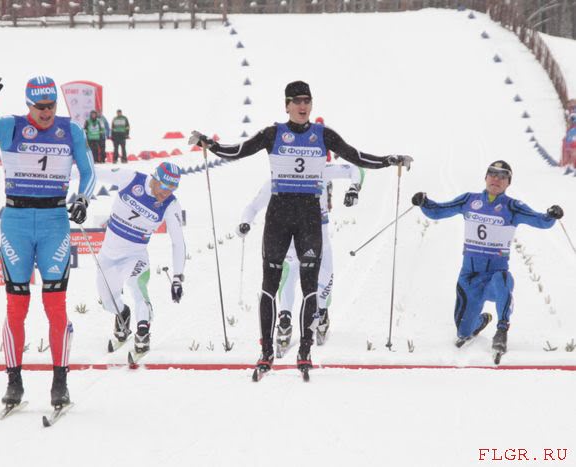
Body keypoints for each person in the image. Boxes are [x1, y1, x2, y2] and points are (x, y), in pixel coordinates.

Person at [190, 80, 412, 374]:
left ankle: (305, 350)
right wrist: (211, 145)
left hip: (309, 215)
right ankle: (266, 353)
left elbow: (356, 157)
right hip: (279, 214)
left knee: (310, 287)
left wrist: (388, 160)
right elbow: (238, 151)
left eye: (307, 100)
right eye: (296, 101)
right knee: (269, 286)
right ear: (287, 105)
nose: (302, 106)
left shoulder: (323, 135)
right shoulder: (272, 134)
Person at [0, 76, 96, 407]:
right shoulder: (10, 126)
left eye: (51, 106)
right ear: (28, 105)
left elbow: (89, 172)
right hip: (16, 223)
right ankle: (14, 381)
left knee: (55, 306)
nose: (46, 113)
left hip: (54, 223)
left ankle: (60, 382)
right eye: (40, 107)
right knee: (16, 306)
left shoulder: (70, 130)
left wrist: (82, 199)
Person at [411, 160, 563, 360]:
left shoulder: (513, 207)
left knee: (503, 280)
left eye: (503, 176)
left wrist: (551, 215)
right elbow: (438, 210)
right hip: (469, 276)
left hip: (494, 275)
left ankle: (502, 330)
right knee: (463, 332)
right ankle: (481, 321)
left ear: (508, 183)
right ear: (485, 177)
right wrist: (424, 202)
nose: (496, 179)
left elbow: (540, 221)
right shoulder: (469, 200)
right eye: (492, 174)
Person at [237, 162, 365, 354]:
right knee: (288, 278)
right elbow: (253, 206)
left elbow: (357, 168)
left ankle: (320, 312)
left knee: (323, 282)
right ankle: (285, 319)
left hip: (317, 238)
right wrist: (245, 223)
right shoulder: (278, 179)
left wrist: (354, 188)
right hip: (291, 241)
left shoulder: (321, 169)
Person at [94, 162, 185, 354]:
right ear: (155, 178)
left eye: (173, 188)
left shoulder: (171, 204)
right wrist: (60, 176)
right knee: (108, 302)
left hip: (136, 255)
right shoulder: (130, 178)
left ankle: (143, 331)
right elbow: (93, 171)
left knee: (138, 287)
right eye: (164, 186)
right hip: (108, 257)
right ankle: (122, 313)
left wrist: (177, 277)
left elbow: (178, 242)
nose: (167, 192)